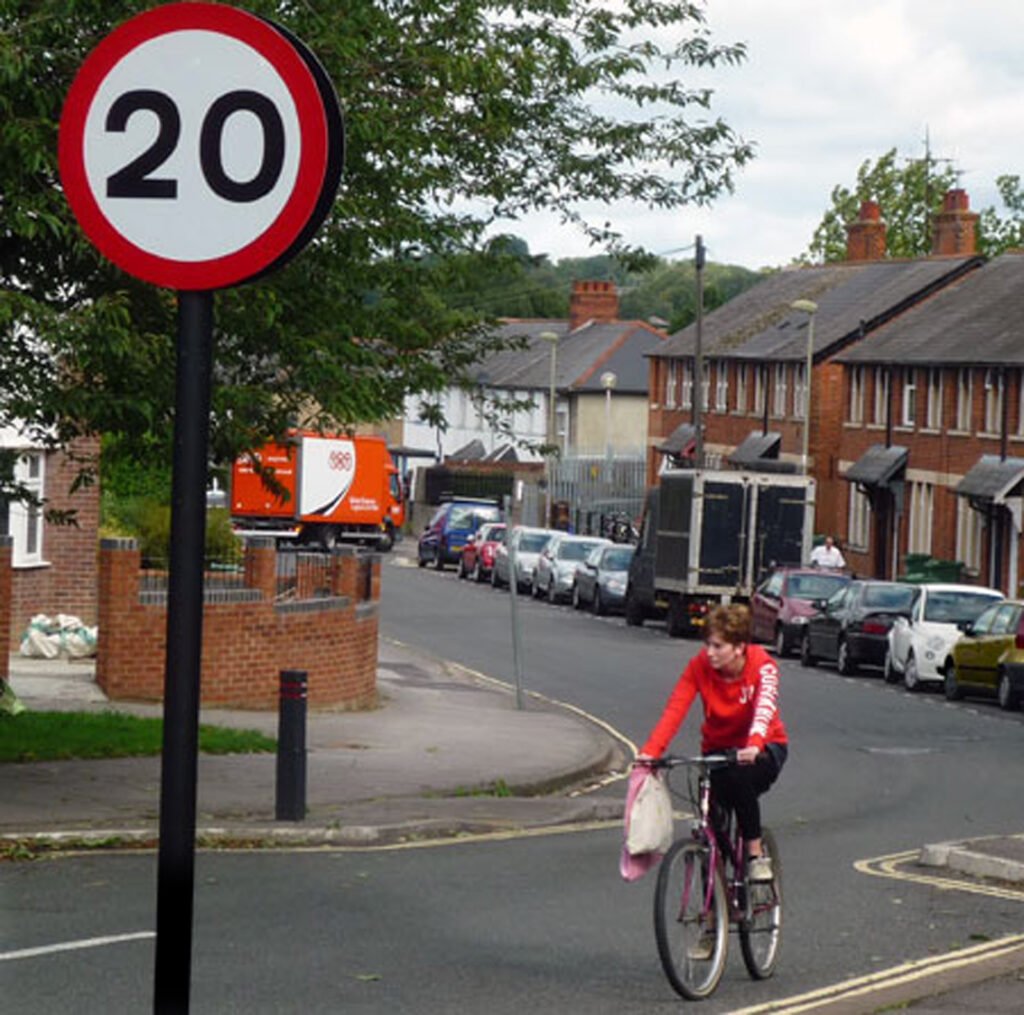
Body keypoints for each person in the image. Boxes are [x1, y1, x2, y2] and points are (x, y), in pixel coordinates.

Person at [635, 604, 788, 882]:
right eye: (708, 644)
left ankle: (755, 855)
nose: (710, 653)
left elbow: (764, 708)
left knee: (741, 781)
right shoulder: (699, 667)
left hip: (764, 749)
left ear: (739, 647)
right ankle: (715, 898)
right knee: (710, 817)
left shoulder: (762, 665)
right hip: (718, 750)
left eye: (718, 646)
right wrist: (650, 754)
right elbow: (675, 709)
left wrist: (754, 744)